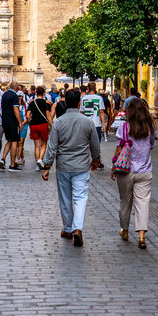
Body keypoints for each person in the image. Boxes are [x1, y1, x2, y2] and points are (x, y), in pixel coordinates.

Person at [40, 86, 102, 246]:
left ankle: (68, 228)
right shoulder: (87, 122)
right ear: (79, 103)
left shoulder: (59, 122)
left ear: (66, 103)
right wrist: (96, 159)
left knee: (66, 198)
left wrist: (47, 166)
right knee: (80, 197)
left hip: (63, 166)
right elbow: (95, 144)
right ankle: (78, 229)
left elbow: (52, 146)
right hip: (81, 166)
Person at [114, 95, 155, 248]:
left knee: (125, 201)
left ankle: (125, 230)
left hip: (125, 171)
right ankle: (141, 236)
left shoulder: (124, 128)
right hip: (145, 170)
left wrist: (114, 166)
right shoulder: (149, 128)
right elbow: (151, 145)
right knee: (143, 202)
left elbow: (119, 148)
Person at [26, 86, 53, 167]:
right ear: (44, 93)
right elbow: (48, 115)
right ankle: (40, 159)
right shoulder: (46, 103)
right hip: (43, 124)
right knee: (43, 144)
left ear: (36, 93)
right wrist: (51, 125)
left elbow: (28, 115)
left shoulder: (32, 103)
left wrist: (29, 121)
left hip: (34, 125)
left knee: (36, 145)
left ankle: (38, 164)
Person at [1, 82, 23, 171]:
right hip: (13, 122)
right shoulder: (14, 96)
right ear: (17, 87)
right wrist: (20, 122)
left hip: (5, 121)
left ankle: (3, 158)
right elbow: (16, 109)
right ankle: (12, 164)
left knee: (9, 140)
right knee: (14, 142)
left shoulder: (4, 95)